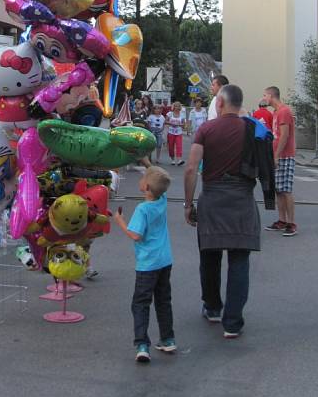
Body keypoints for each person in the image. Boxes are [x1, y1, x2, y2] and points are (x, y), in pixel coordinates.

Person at [184, 84, 272, 338]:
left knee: (209, 257)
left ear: (220, 103)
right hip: (242, 198)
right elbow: (266, 158)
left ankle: (212, 307)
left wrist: (188, 204)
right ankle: (233, 322)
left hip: (212, 197)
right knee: (239, 259)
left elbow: (191, 168)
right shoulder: (254, 128)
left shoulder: (207, 129)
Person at [114, 166, 175, 362]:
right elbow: (156, 176)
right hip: (164, 261)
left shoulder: (143, 209)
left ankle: (142, 344)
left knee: (140, 303)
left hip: (147, 264)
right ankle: (167, 338)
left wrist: (120, 221)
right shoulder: (162, 200)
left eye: (143, 178)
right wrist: (147, 163)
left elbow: (136, 235)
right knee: (163, 300)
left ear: (146, 187)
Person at [263, 86, 297, 236]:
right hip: (277, 154)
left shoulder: (283, 111)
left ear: (271, 96)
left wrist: (276, 155)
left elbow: (284, 136)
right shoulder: (276, 112)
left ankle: (291, 223)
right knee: (278, 189)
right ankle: (282, 220)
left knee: (286, 190)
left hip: (285, 155)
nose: (264, 98)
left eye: (265, 95)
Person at [165, 101, 186, 165]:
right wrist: (172, 123)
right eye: (176, 106)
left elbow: (183, 125)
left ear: (180, 107)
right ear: (173, 107)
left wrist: (180, 125)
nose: (177, 107)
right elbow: (165, 121)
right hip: (171, 132)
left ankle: (179, 160)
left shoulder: (182, 115)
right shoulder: (169, 114)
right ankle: (173, 159)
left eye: (178, 106)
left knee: (179, 146)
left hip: (179, 133)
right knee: (171, 146)